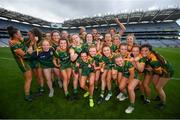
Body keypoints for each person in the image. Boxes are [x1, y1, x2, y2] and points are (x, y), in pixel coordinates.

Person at [141, 44, 174, 109]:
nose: (143, 52)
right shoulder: (151, 55)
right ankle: (160, 95)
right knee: (155, 83)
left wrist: (152, 69)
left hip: (167, 72)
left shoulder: (154, 61)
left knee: (158, 87)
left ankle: (163, 103)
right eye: (142, 50)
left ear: (150, 51)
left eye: (146, 50)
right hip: (160, 69)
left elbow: (160, 72)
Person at [7, 26, 33, 101]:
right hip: (23, 63)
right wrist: (30, 49)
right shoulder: (14, 44)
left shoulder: (17, 40)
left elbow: (25, 41)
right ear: (15, 35)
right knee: (29, 79)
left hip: (25, 62)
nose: (21, 34)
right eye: (19, 33)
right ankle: (27, 95)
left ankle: (28, 91)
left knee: (28, 78)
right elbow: (25, 55)